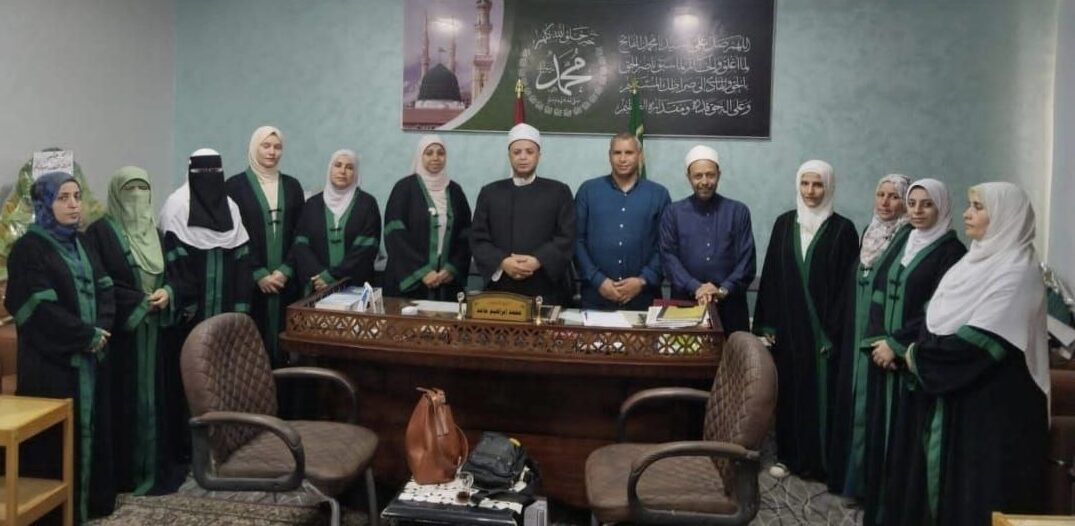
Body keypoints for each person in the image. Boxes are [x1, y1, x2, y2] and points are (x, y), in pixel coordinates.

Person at [886, 182, 1049, 525]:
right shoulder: (972, 262)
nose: (966, 214)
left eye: (977, 207)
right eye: (969, 205)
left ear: (1005, 217)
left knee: (979, 497)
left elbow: (978, 344)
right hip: (958, 398)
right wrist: (917, 347)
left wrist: (916, 356)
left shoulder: (1019, 272)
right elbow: (934, 314)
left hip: (993, 410)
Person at [4, 172, 117, 522]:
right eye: (63, 198)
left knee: (93, 430)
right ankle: (56, 512)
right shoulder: (28, 249)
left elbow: (106, 288)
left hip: (91, 357)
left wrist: (101, 329)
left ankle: (91, 503)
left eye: (77, 197)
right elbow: (40, 311)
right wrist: (84, 336)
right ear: (43, 204)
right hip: (52, 365)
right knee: (55, 442)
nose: (73, 205)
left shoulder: (82, 241)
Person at [858, 179, 965, 525]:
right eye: (913, 203)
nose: (917, 211)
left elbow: (937, 311)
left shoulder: (952, 253)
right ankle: (878, 511)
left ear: (941, 207)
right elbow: (878, 288)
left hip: (913, 361)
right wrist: (877, 341)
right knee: (882, 437)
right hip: (883, 357)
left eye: (927, 204)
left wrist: (897, 345)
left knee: (907, 443)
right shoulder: (904, 239)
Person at [752, 160, 859, 479]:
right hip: (788, 329)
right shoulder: (784, 224)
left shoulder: (843, 230)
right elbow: (771, 275)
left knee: (823, 398)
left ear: (829, 187)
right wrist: (767, 325)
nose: (811, 191)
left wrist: (834, 333)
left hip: (824, 334)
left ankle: (823, 463)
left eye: (818, 184)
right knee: (790, 394)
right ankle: (789, 457)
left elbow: (847, 288)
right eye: (805, 183)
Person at [85, 167, 185, 496]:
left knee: (155, 400)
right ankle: (125, 474)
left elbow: (178, 276)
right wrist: (138, 303)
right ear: (116, 193)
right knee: (123, 402)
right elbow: (99, 283)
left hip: (157, 337)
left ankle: (153, 467)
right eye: (130, 189)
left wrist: (168, 292)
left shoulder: (158, 234)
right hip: (121, 339)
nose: (137, 196)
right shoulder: (99, 233)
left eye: (143, 188)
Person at [828, 174, 911, 497]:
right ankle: (850, 479)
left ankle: (868, 486)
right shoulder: (869, 231)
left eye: (894, 196)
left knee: (871, 409)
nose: (885, 202)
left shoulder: (908, 238)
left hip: (881, 336)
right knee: (853, 402)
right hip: (856, 331)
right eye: (881, 194)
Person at [470, 123, 575, 305]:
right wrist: (503, 262)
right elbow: (478, 238)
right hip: (501, 289)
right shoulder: (490, 193)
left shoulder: (559, 192)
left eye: (529, 151)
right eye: (517, 152)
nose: (523, 157)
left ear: (539, 155)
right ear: (509, 156)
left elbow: (567, 236)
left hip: (546, 288)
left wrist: (538, 260)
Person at [226, 126, 304, 365]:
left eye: (277, 147)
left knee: (287, 350)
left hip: (286, 282)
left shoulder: (292, 186)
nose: (272, 152)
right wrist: (258, 273)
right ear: (254, 147)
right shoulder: (234, 186)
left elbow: (301, 234)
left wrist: (285, 270)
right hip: (250, 284)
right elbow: (233, 236)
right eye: (266, 146)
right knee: (252, 351)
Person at [659, 145, 755, 332]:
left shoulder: (738, 211)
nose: (704, 181)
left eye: (710, 175)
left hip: (730, 306)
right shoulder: (673, 213)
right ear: (688, 177)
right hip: (685, 305)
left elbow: (747, 261)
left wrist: (722, 290)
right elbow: (668, 258)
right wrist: (696, 287)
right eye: (698, 176)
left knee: (735, 351)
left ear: (719, 175)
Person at [575, 132, 670, 310]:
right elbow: (577, 241)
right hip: (596, 297)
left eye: (629, 153)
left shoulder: (659, 194)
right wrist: (598, 280)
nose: (623, 159)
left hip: (644, 299)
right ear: (609, 156)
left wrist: (642, 280)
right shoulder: (588, 191)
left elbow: (665, 246)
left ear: (640, 156)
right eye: (617, 153)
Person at [159, 148, 251, 325]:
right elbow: (173, 262)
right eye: (203, 171)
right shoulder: (177, 206)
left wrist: (241, 308)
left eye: (214, 170)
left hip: (226, 306)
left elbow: (242, 261)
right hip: (189, 311)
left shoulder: (231, 208)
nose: (209, 176)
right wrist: (186, 302)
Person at [384, 135, 472, 300]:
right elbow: (395, 234)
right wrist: (422, 272)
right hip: (410, 284)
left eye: (440, 153)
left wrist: (452, 268)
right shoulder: (404, 189)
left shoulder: (455, 191)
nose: (435, 157)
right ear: (420, 156)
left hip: (446, 283)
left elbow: (466, 235)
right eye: (429, 153)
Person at [291, 149, 381, 294]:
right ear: (330, 169)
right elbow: (301, 245)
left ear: (356, 173)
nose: (342, 171)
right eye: (338, 165)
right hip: (317, 286)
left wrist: (332, 276)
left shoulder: (367, 204)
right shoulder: (312, 205)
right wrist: (319, 276)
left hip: (355, 287)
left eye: (349, 167)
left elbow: (366, 249)